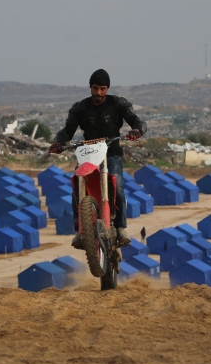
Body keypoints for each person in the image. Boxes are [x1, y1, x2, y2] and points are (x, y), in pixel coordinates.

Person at [49, 69, 146, 248]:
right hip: (89, 154)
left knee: (118, 188)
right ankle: (80, 230)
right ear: (90, 88)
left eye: (102, 89)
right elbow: (67, 131)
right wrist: (58, 143)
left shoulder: (118, 104)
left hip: (112, 154)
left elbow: (137, 120)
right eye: (95, 88)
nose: (98, 93)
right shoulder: (81, 108)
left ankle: (121, 228)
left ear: (107, 89)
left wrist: (137, 130)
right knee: (78, 184)